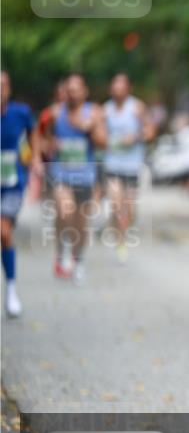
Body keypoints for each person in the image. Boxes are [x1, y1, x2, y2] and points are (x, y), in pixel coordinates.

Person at [45, 74, 106, 284]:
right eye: (69, 90)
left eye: (76, 89)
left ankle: (78, 261)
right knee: (64, 211)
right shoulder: (55, 113)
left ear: (84, 92)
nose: (72, 93)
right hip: (61, 174)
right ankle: (61, 251)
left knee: (81, 225)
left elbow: (103, 142)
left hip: (85, 176)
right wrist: (49, 145)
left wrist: (89, 128)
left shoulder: (94, 112)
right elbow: (42, 138)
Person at [103, 73, 155, 262]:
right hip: (112, 164)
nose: (118, 91)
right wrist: (106, 140)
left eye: (122, 88)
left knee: (129, 210)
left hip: (132, 166)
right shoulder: (105, 110)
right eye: (115, 87)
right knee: (117, 204)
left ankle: (120, 230)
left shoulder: (137, 107)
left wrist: (136, 137)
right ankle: (120, 243)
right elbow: (99, 134)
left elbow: (150, 131)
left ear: (128, 89)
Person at [1, 71, 38, 317]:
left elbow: (34, 134)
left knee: (4, 231)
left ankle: (11, 289)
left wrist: (34, 158)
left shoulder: (21, 113)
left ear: (9, 89)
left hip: (13, 183)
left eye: (2, 85)